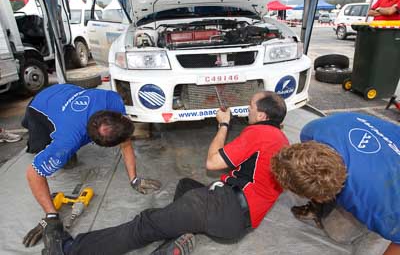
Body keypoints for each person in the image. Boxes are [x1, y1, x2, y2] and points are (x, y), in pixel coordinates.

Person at [41, 91, 289, 255]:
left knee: (145, 223)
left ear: (262, 116)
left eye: (251, 106)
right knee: (185, 186)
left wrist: (223, 124)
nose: (247, 109)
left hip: (223, 208)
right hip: (240, 221)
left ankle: (69, 249)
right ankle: (174, 239)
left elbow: (213, 163)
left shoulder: (260, 133)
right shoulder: (282, 140)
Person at [22, 84, 161, 248]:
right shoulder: (67, 141)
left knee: (66, 157)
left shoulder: (112, 100)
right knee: (52, 157)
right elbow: (33, 173)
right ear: (103, 145)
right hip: (40, 108)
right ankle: (43, 143)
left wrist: (134, 179)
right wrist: (51, 216)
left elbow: (126, 143)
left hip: (62, 91)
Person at [271, 112, 400, 255]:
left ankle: (366, 227)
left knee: (339, 234)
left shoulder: (384, 209)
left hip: (388, 191)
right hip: (384, 151)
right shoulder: (314, 131)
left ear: (322, 197)